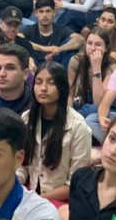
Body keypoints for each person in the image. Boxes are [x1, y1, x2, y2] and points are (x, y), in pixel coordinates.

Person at [18, 64, 92, 206]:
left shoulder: (78, 127)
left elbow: (75, 182)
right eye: (38, 82)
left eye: (51, 83)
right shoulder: (27, 118)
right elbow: (22, 165)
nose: (43, 88)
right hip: (30, 191)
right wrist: (14, 185)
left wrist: (38, 199)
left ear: (62, 87)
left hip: (60, 199)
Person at [67, 27, 116, 119]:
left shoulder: (112, 68)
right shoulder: (76, 61)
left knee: (92, 109)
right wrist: (68, 115)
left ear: (106, 48)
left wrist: (96, 67)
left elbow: (98, 102)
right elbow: (70, 94)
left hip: (104, 108)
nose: (93, 48)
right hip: (82, 103)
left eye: (98, 45)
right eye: (89, 43)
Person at [23, 0, 83, 68]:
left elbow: (80, 39)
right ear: (35, 13)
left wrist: (60, 49)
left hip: (58, 68)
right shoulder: (30, 29)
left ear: (54, 12)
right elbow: (18, 38)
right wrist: (46, 49)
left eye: (48, 11)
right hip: (35, 67)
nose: (44, 15)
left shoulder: (61, 29)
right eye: (41, 11)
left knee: (71, 49)